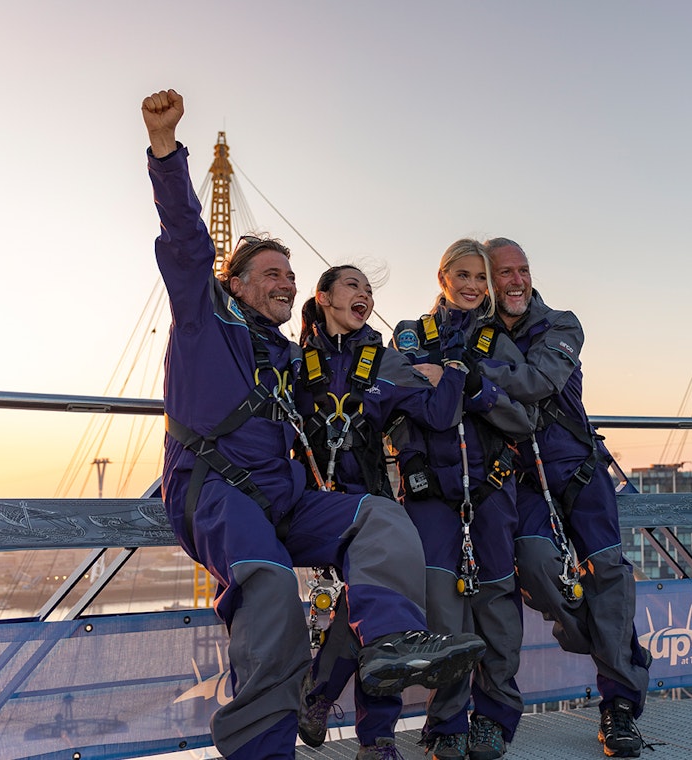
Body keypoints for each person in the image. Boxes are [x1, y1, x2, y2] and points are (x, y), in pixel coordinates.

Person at [141, 88, 484, 760]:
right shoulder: (204, 320)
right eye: (272, 273)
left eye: (291, 276)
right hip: (217, 492)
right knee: (269, 593)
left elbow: (376, 395)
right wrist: (164, 149)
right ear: (234, 282)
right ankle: (263, 751)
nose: (285, 283)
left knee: (381, 521)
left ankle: (387, 645)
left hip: (285, 498)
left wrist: (444, 375)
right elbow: (185, 241)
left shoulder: (289, 359)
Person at [477, 238, 651, 758]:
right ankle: (603, 640)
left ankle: (619, 705)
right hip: (521, 477)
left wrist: (469, 375)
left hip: (577, 469)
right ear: (485, 280)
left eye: (522, 270)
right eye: (503, 272)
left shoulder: (562, 325)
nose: (516, 281)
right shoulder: (472, 329)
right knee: (532, 564)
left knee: (609, 577)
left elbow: (539, 381)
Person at [292, 263, 471, 760]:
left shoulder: (385, 360)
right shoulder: (292, 359)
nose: (365, 294)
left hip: (369, 505)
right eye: (353, 285)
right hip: (311, 504)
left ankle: (371, 733)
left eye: (369, 290)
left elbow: (438, 414)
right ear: (323, 296)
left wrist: (452, 373)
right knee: (371, 615)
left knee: (373, 616)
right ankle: (328, 701)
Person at [390, 239, 534, 760]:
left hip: (492, 488)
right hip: (430, 491)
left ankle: (494, 717)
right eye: (464, 275)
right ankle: (447, 718)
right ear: (443, 276)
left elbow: (525, 418)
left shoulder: (498, 342)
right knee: (442, 611)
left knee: (496, 605)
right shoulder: (410, 336)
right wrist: (411, 466)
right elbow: (395, 411)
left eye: (482, 278)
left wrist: (473, 388)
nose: (474, 286)